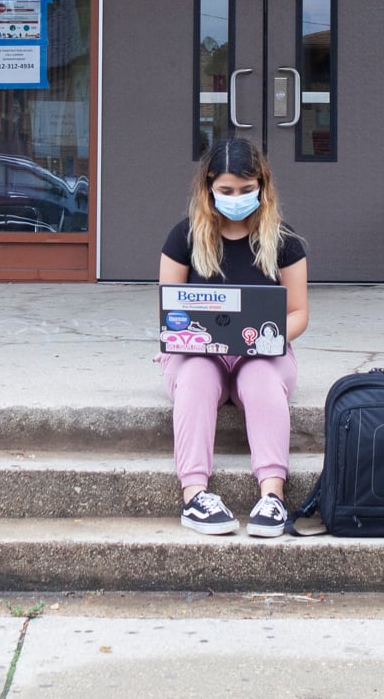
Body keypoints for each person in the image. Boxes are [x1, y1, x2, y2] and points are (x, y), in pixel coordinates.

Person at [158, 138, 309, 537]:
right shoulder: (183, 238)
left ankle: (272, 496)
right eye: (226, 191)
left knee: (260, 378)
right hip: (197, 356)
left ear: (262, 184)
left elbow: (298, 314)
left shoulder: (284, 241)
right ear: (208, 188)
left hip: (262, 354)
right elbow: (170, 312)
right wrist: (190, 338)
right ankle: (195, 496)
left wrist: (267, 341)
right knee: (195, 379)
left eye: (246, 190)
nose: (236, 198)